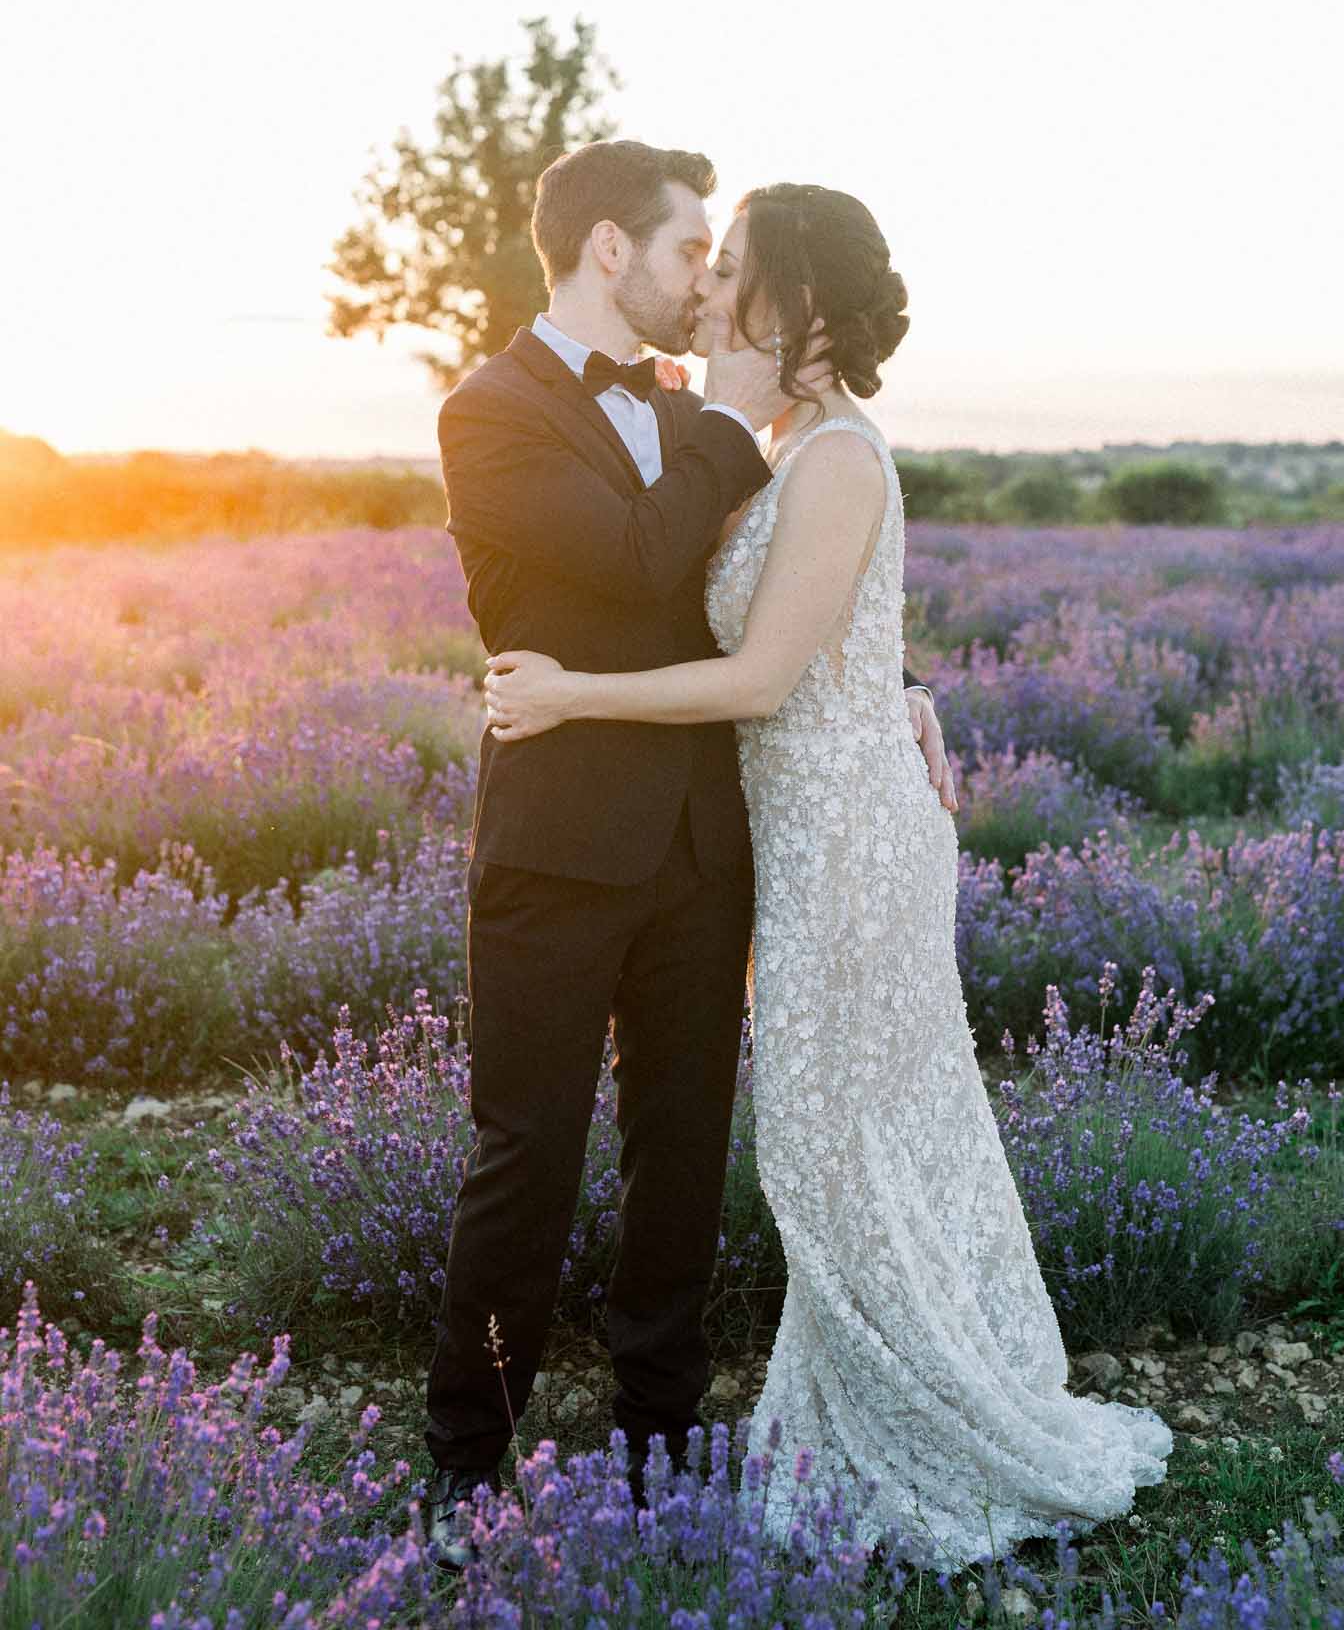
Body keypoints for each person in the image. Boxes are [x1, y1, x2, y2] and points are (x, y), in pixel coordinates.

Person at [483, 180, 1173, 1571]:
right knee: (841, 1143)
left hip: (848, 839)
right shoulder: (765, 438)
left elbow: (763, 666)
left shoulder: (837, 456)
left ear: (789, 295)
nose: (710, 279)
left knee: (835, 1143)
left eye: (730, 260)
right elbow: (719, 581)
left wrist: (572, 695)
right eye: (703, 252)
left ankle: (929, 1426)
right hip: (788, 833)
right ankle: (852, 1416)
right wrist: (895, 677)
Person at [423, 142, 950, 1571]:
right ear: (608, 251)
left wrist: (886, 683)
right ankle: (468, 1455)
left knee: (680, 1162)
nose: (705, 281)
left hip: (705, 845)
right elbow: (639, 559)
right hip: (555, 842)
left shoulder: (693, 409)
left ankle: (660, 1444)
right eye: (685, 254)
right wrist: (724, 421)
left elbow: (764, 599)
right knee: (524, 1157)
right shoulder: (490, 413)